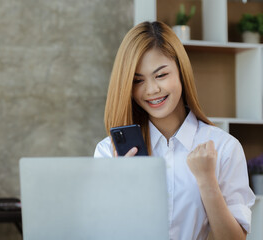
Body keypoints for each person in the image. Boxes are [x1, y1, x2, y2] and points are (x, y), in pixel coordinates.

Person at [94, 21, 255, 240]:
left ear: (181, 71)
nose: (152, 90)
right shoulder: (108, 153)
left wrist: (207, 181)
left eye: (161, 75)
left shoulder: (224, 147)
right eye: (138, 81)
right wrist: (123, 190)